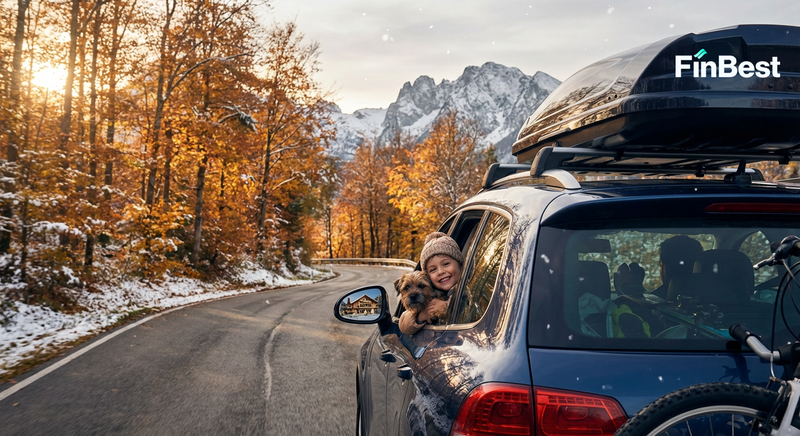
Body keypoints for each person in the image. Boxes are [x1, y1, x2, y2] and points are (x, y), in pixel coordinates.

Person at [398, 232, 464, 335]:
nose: (440, 272)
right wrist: (421, 316)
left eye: (446, 264)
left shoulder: (465, 288)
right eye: (433, 269)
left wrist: (447, 306)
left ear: (461, 265)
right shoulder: (430, 298)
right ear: (430, 277)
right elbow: (403, 324)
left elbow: (467, 304)